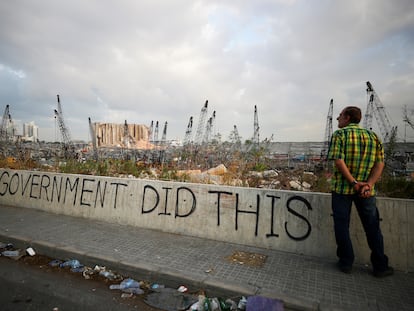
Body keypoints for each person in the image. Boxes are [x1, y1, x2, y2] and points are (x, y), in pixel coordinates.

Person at [327, 106, 393, 277]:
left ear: (347, 117)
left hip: (342, 189)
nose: (337, 119)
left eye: (340, 116)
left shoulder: (339, 135)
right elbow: (380, 164)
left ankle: (346, 262)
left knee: (342, 226)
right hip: (366, 192)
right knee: (372, 227)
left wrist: (354, 183)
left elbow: (339, 161)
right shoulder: (373, 136)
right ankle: (380, 266)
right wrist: (368, 184)